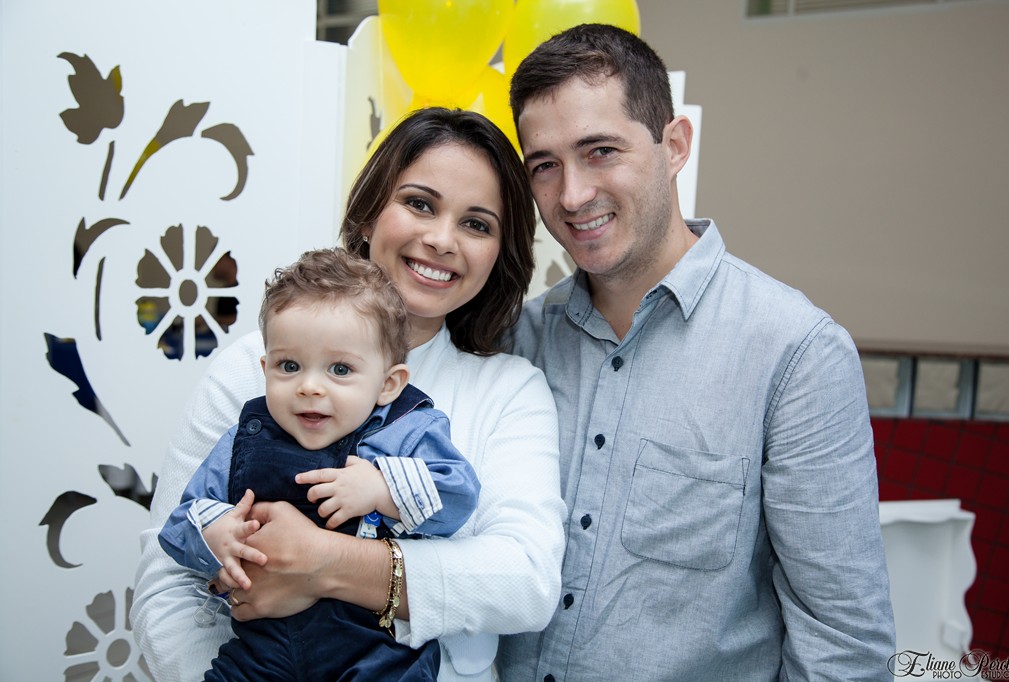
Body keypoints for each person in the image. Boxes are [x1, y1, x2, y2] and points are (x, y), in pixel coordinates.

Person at [496, 24, 897, 681]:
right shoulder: (518, 341)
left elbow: (844, 643)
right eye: (545, 165)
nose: (571, 195)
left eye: (601, 151)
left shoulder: (794, 353)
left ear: (675, 145)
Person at [131, 108, 567, 682]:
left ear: (498, 255)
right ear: (368, 214)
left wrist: (325, 563)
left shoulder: (509, 390)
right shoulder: (250, 370)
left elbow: (526, 581)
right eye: (419, 204)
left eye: (476, 224)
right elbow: (167, 585)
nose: (441, 239)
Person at [159, 248, 481, 681]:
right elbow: (180, 522)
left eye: (340, 369)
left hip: (375, 651)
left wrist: (382, 489)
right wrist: (216, 534)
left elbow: (458, 495)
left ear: (388, 383)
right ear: (265, 369)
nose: (310, 387)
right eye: (289, 366)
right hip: (263, 650)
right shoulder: (244, 439)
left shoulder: (407, 430)